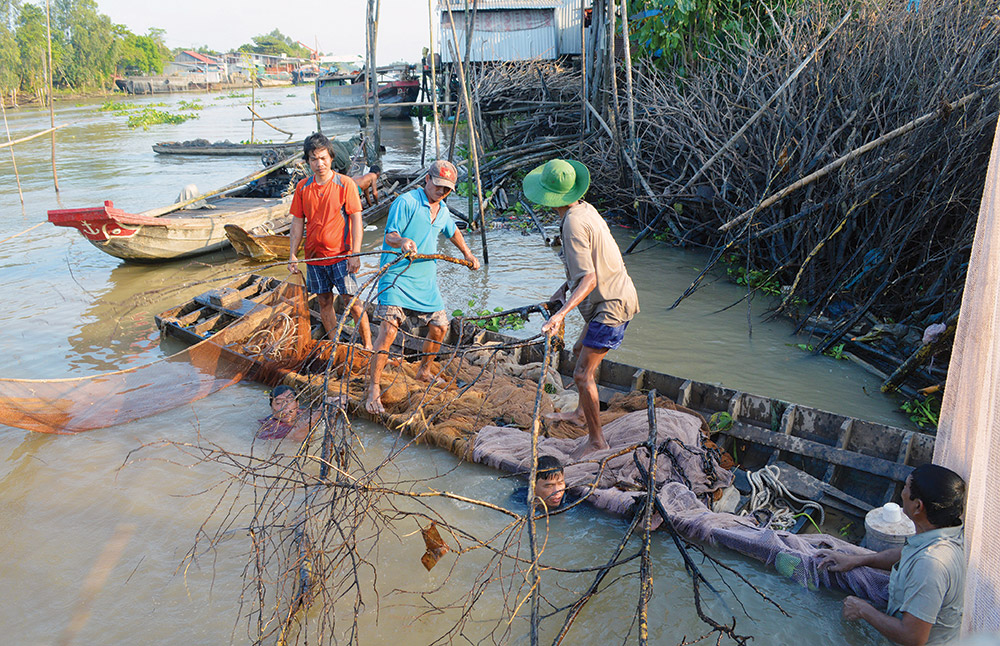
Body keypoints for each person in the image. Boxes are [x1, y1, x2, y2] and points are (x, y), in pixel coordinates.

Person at [523, 159, 640, 459]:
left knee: (581, 375)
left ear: (548, 198)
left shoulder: (573, 223)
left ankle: (597, 441)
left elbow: (589, 279)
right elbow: (589, 266)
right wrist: (560, 293)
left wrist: (560, 315)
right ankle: (579, 414)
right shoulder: (584, 210)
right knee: (579, 353)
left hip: (610, 306)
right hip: (615, 297)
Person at [364, 160, 480, 414]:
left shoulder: (443, 210)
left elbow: (453, 233)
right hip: (397, 275)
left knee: (440, 327)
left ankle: (424, 371)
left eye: (447, 189)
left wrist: (468, 255)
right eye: (438, 186)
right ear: (427, 179)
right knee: (389, 331)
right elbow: (390, 235)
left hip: (425, 280)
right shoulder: (406, 202)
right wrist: (403, 241)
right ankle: (372, 387)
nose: (441, 192)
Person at [817, 464, 966, 646]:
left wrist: (863, 610)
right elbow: (905, 553)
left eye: (905, 487)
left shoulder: (930, 565)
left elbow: (913, 638)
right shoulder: (944, 534)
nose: (902, 493)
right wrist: (856, 560)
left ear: (918, 506)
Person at [288, 132, 372, 349]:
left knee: (351, 302)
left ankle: (369, 346)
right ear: (307, 161)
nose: (319, 163)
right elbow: (297, 223)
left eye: (323, 158)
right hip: (314, 258)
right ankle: (335, 344)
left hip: (341, 257)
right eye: (314, 159)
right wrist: (292, 255)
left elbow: (356, 221)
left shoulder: (345, 184)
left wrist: (355, 253)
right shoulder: (302, 188)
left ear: (331, 158)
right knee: (324, 301)